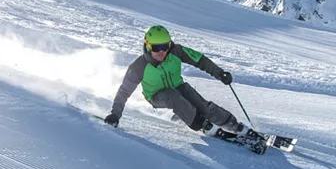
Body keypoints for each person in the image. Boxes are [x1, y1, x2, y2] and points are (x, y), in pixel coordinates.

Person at [104, 25, 245, 135]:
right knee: (174, 97)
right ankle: (202, 125)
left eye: (165, 46)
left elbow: (200, 60)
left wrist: (220, 73)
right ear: (147, 46)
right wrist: (115, 114)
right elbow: (124, 92)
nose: (162, 52)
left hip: (179, 87)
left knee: (202, 105)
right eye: (157, 47)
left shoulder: (176, 51)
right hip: (156, 96)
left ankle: (234, 126)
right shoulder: (139, 66)